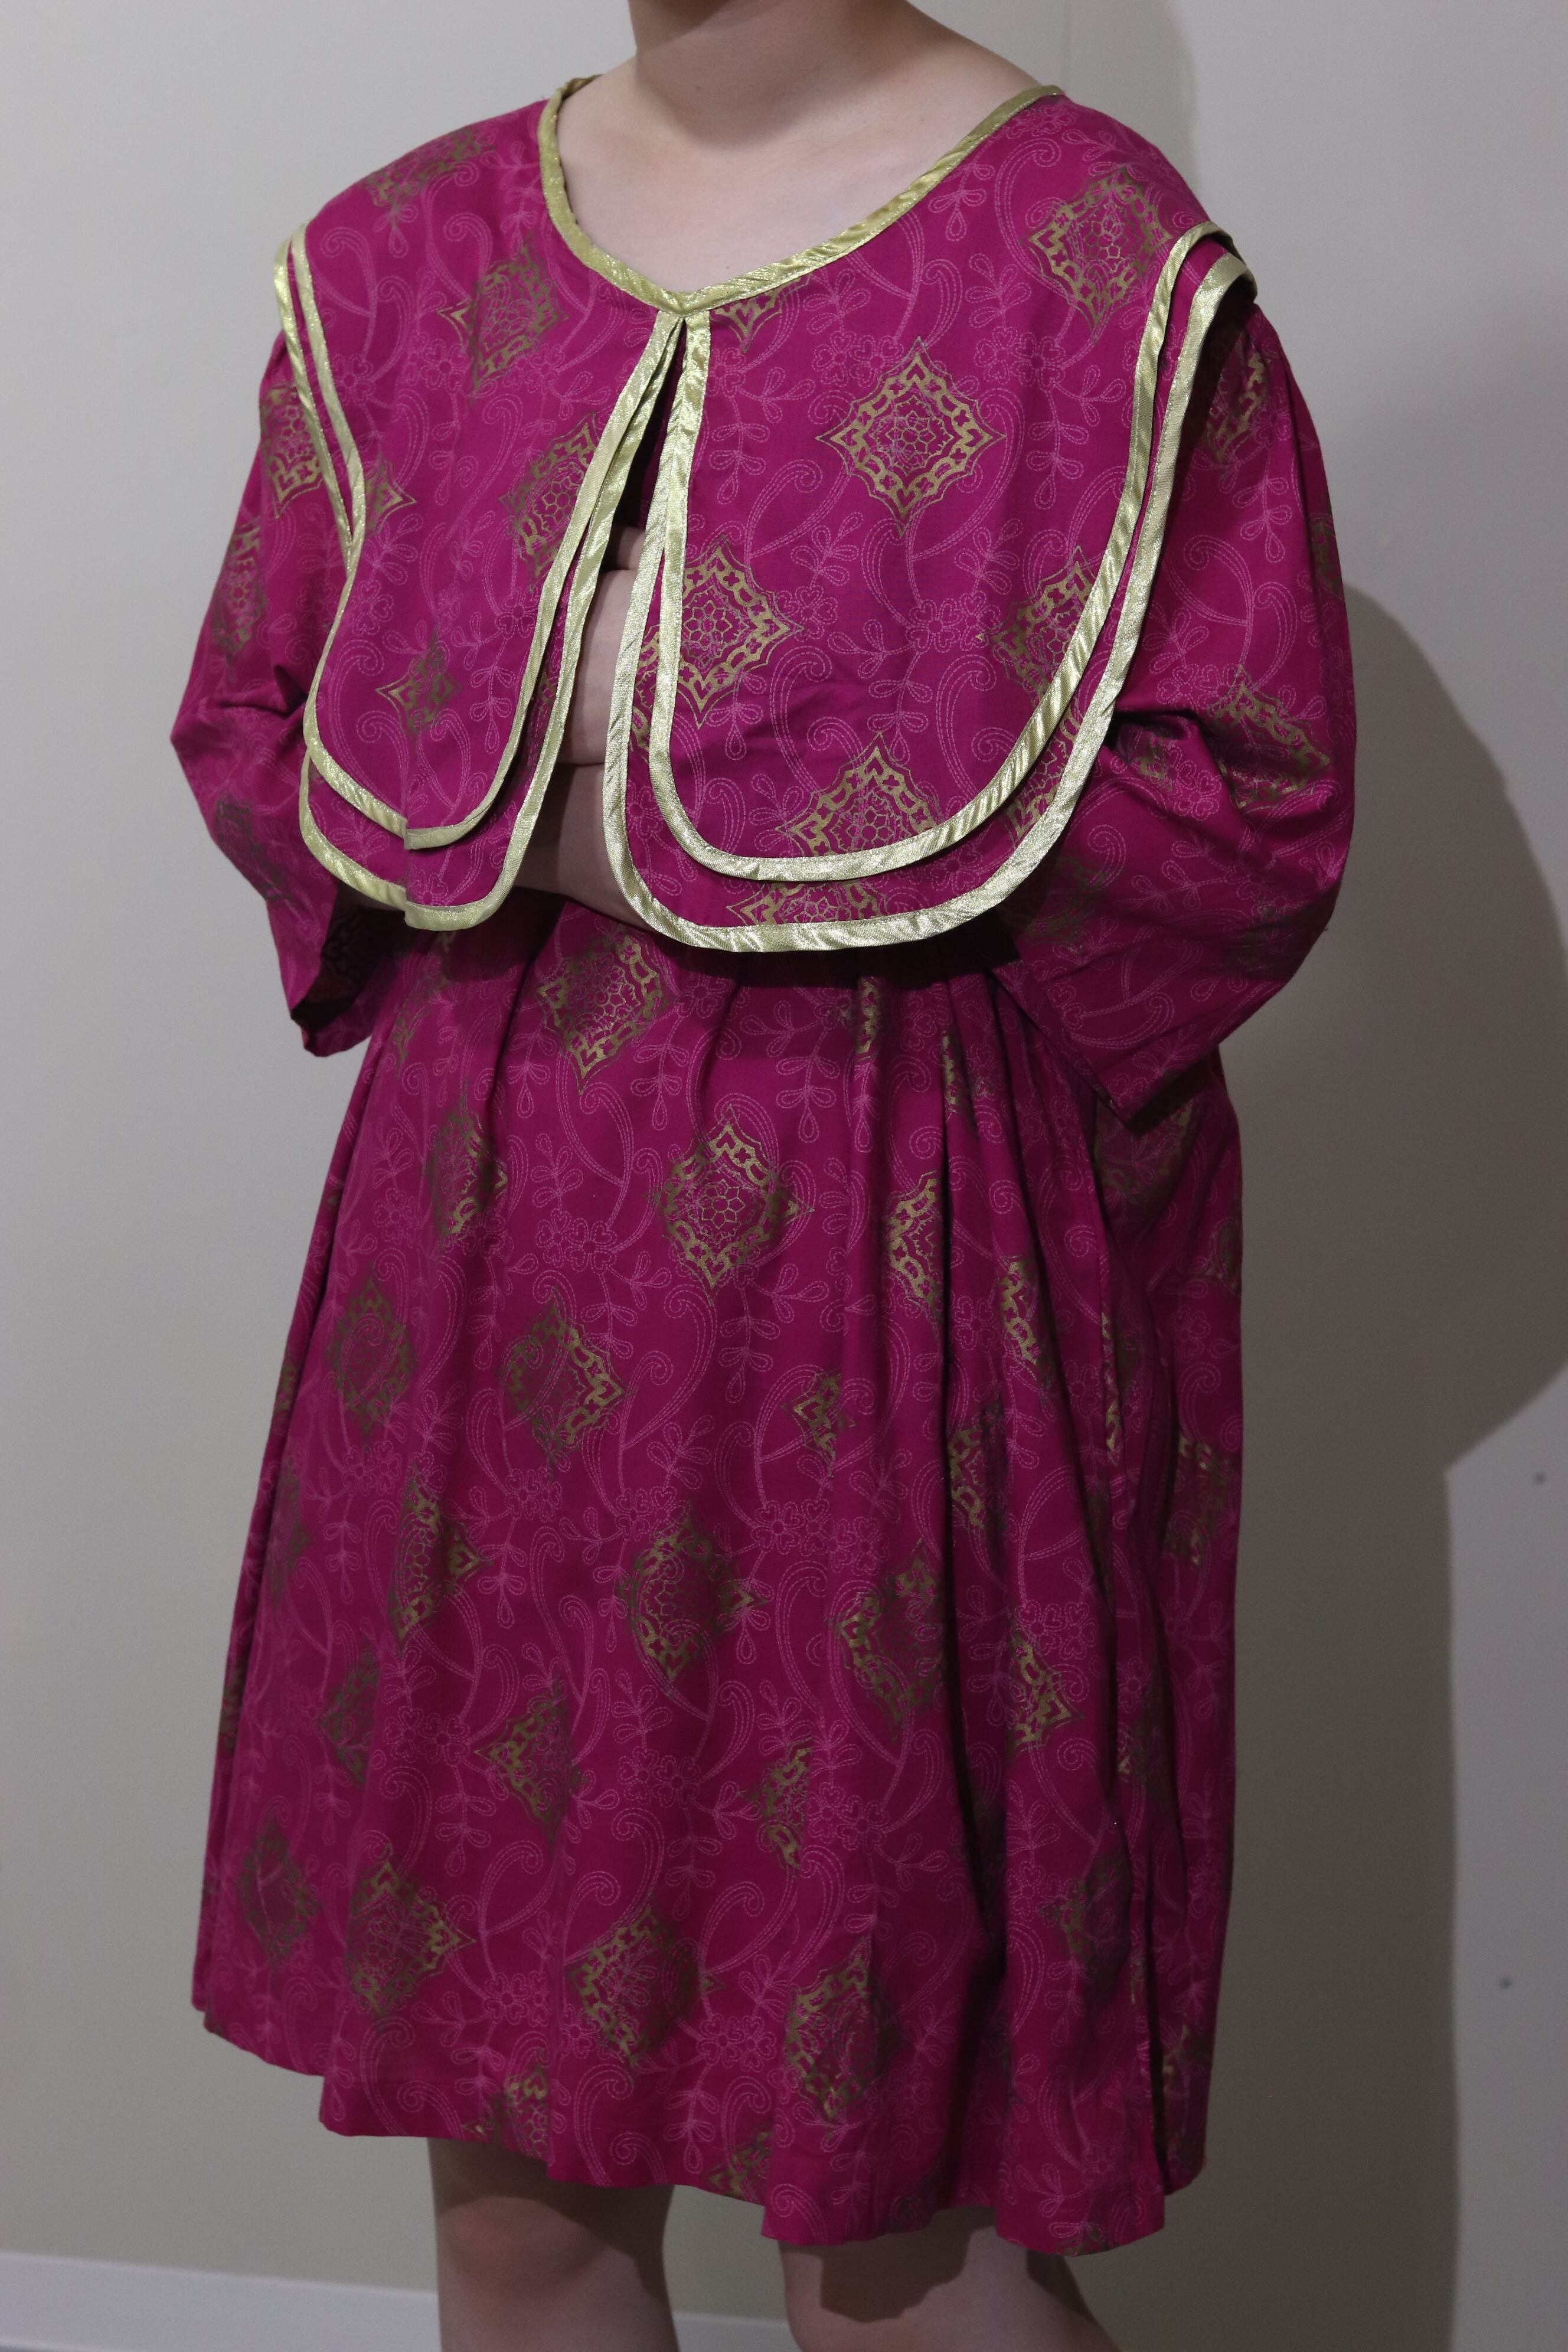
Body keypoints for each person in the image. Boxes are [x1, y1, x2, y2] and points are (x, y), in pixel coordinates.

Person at [171, 4, 1354, 2346]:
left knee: (896, 2245)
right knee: (513, 2196)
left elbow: (1247, 814)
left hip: (892, 1273)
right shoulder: (406, 254)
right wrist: (559, 777)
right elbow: (261, 714)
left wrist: (684, 751)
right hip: (488, 1266)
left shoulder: (1098, 263)